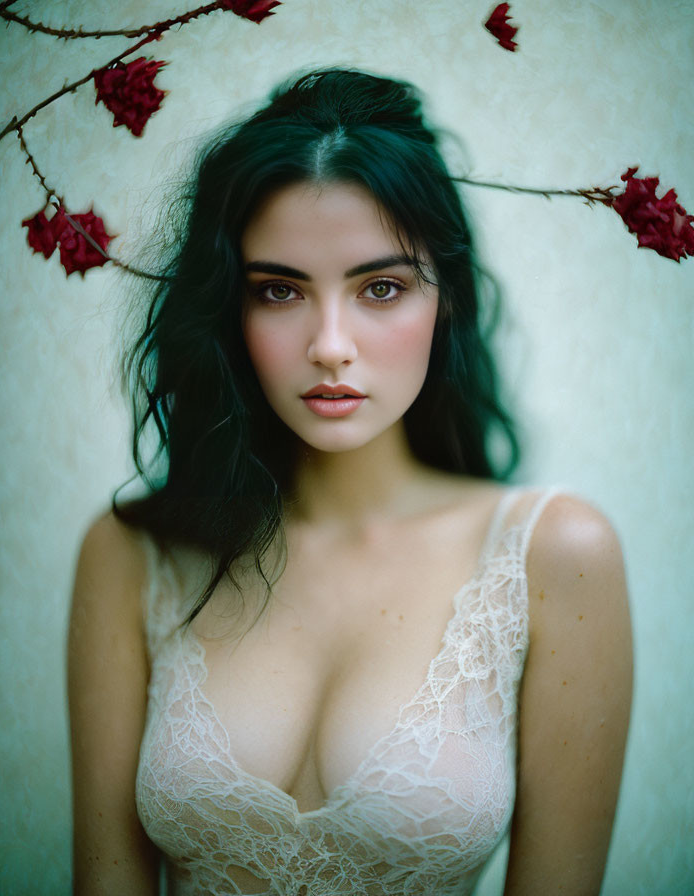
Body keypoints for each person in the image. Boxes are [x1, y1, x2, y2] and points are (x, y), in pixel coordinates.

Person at [68, 68, 632, 895]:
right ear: (231, 309)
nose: (330, 343)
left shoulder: (554, 555)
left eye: (381, 287)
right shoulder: (132, 552)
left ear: (445, 298)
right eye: (279, 290)